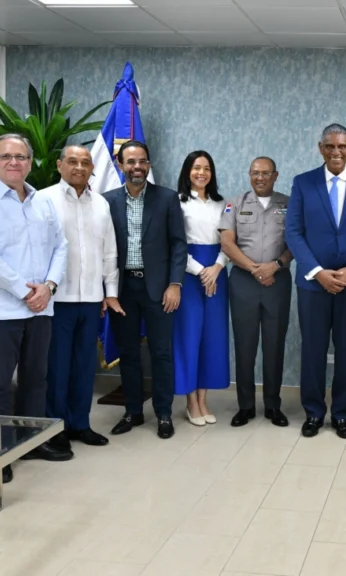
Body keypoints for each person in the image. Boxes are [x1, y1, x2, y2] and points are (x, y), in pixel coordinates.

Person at [0, 134, 70, 483]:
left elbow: (61, 247)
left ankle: (31, 442)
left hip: (40, 309)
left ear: (30, 161)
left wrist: (48, 286)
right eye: (5, 156)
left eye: (20, 156)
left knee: (37, 380)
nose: (14, 162)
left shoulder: (42, 202)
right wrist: (26, 292)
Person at [284, 123, 346, 439]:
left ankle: (342, 414)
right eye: (330, 146)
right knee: (313, 349)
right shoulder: (303, 183)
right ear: (320, 148)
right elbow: (293, 232)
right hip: (314, 283)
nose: (336, 152)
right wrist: (318, 272)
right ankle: (314, 413)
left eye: (342, 146)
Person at [39, 144, 122, 450]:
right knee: (57, 366)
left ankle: (80, 423)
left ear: (92, 169)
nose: (79, 167)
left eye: (85, 162)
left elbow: (109, 252)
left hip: (90, 299)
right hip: (56, 300)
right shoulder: (43, 199)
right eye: (72, 161)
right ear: (59, 165)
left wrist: (109, 292)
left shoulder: (101, 204)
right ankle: (55, 427)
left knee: (85, 365)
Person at [103, 140, 187, 440]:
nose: (137, 167)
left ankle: (164, 413)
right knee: (128, 353)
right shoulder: (107, 201)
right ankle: (133, 412)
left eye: (142, 161)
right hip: (122, 288)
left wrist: (175, 284)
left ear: (148, 165)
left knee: (161, 353)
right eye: (131, 162)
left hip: (159, 288)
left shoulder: (166, 198)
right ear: (121, 165)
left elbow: (179, 243)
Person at [219, 157, 293, 428]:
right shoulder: (234, 204)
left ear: (275, 175)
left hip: (278, 282)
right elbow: (227, 243)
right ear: (249, 175)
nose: (259, 178)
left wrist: (275, 266)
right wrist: (255, 269)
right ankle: (245, 406)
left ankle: (273, 405)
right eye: (254, 173)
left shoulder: (289, 204)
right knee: (245, 345)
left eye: (265, 173)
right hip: (244, 283)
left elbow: (296, 241)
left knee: (274, 345)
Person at [173, 151, 231, 427]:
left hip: (217, 275)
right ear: (187, 172)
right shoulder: (177, 204)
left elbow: (230, 242)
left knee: (212, 337)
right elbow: (175, 245)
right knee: (189, 337)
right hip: (189, 274)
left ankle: (204, 399)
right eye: (196, 168)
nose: (202, 173)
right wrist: (200, 271)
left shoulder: (223, 204)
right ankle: (190, 402)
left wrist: (217, 268)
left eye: (207, 168)